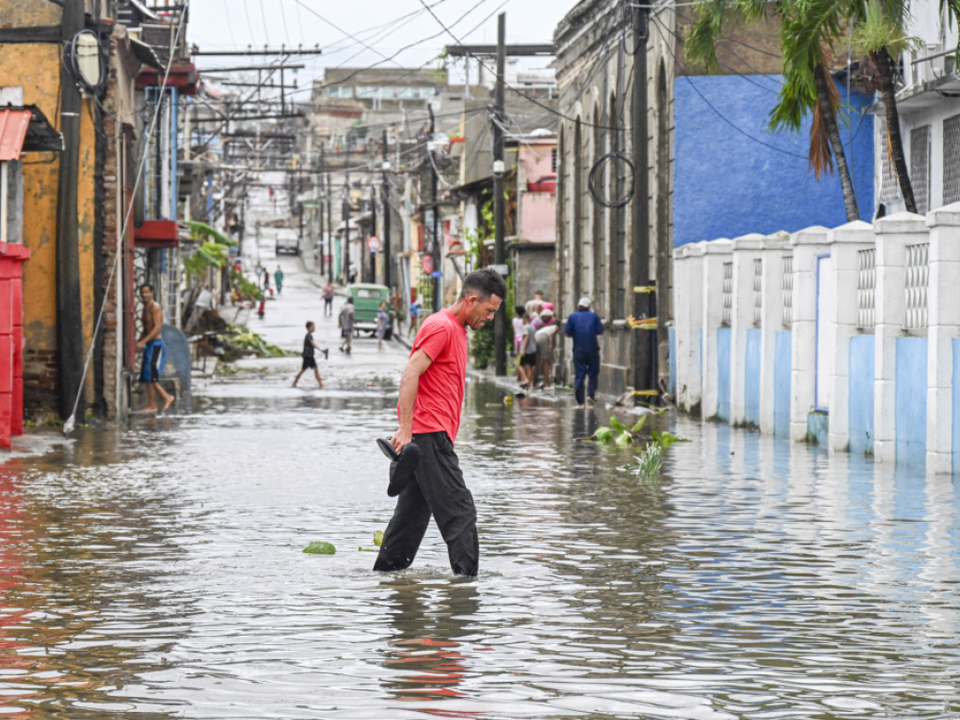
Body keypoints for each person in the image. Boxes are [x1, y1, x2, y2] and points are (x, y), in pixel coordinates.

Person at [373, 268, 506, 577]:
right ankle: (466, 590)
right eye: (488, 311)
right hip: (429, 435)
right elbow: (410, 373)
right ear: (472, 300)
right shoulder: (442, 327)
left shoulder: (456, 330)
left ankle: (385, 578)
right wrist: (405, 428)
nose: (490, 318)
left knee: (410, 518)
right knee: (461, 511)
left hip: (429, 439)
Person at [136, 284, 175, 413]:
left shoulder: (155, 307)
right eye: (142, 292)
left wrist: (143, 342)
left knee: (151, 376)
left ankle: (167, 397)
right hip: (149, 345)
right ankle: (152, 405)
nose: (144, 295)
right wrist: (139, 342)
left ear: (151, 293)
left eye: (147, 292)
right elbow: (146, 329)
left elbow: (157, 327)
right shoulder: (144, 309)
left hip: (156, 345)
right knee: (147, 376)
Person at [564, 296, 604, 408]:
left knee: (579, 375)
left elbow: (566, 333)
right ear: (589, 306)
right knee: (593, 373)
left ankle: (581, 403)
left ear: (579, 306)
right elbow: (600, 331)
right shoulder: (594, 316)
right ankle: (590, 395)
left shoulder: (572, 317)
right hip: (592, 349)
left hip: (578, 350)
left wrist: (575, 334)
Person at [292, 321, 327, 388]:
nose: (314, 328)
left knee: (315, 369)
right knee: (303, 370)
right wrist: (320, 349)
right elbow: (313, 343)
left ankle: (320, 384)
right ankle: (294, 383)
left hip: (310, 356)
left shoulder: (309, 335)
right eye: (313, 327)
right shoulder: (309, 336)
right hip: (307, 356)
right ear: (309, 328)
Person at [517, 314, 538, 388]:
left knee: (519, 365)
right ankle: (528, 383)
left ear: (524, 320)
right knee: (529, 367)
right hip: (533, 349)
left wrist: (523, 349)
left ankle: (525, 379)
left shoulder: (525, 327)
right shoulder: (532, 327)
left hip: (526, 350)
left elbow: (526, 338)